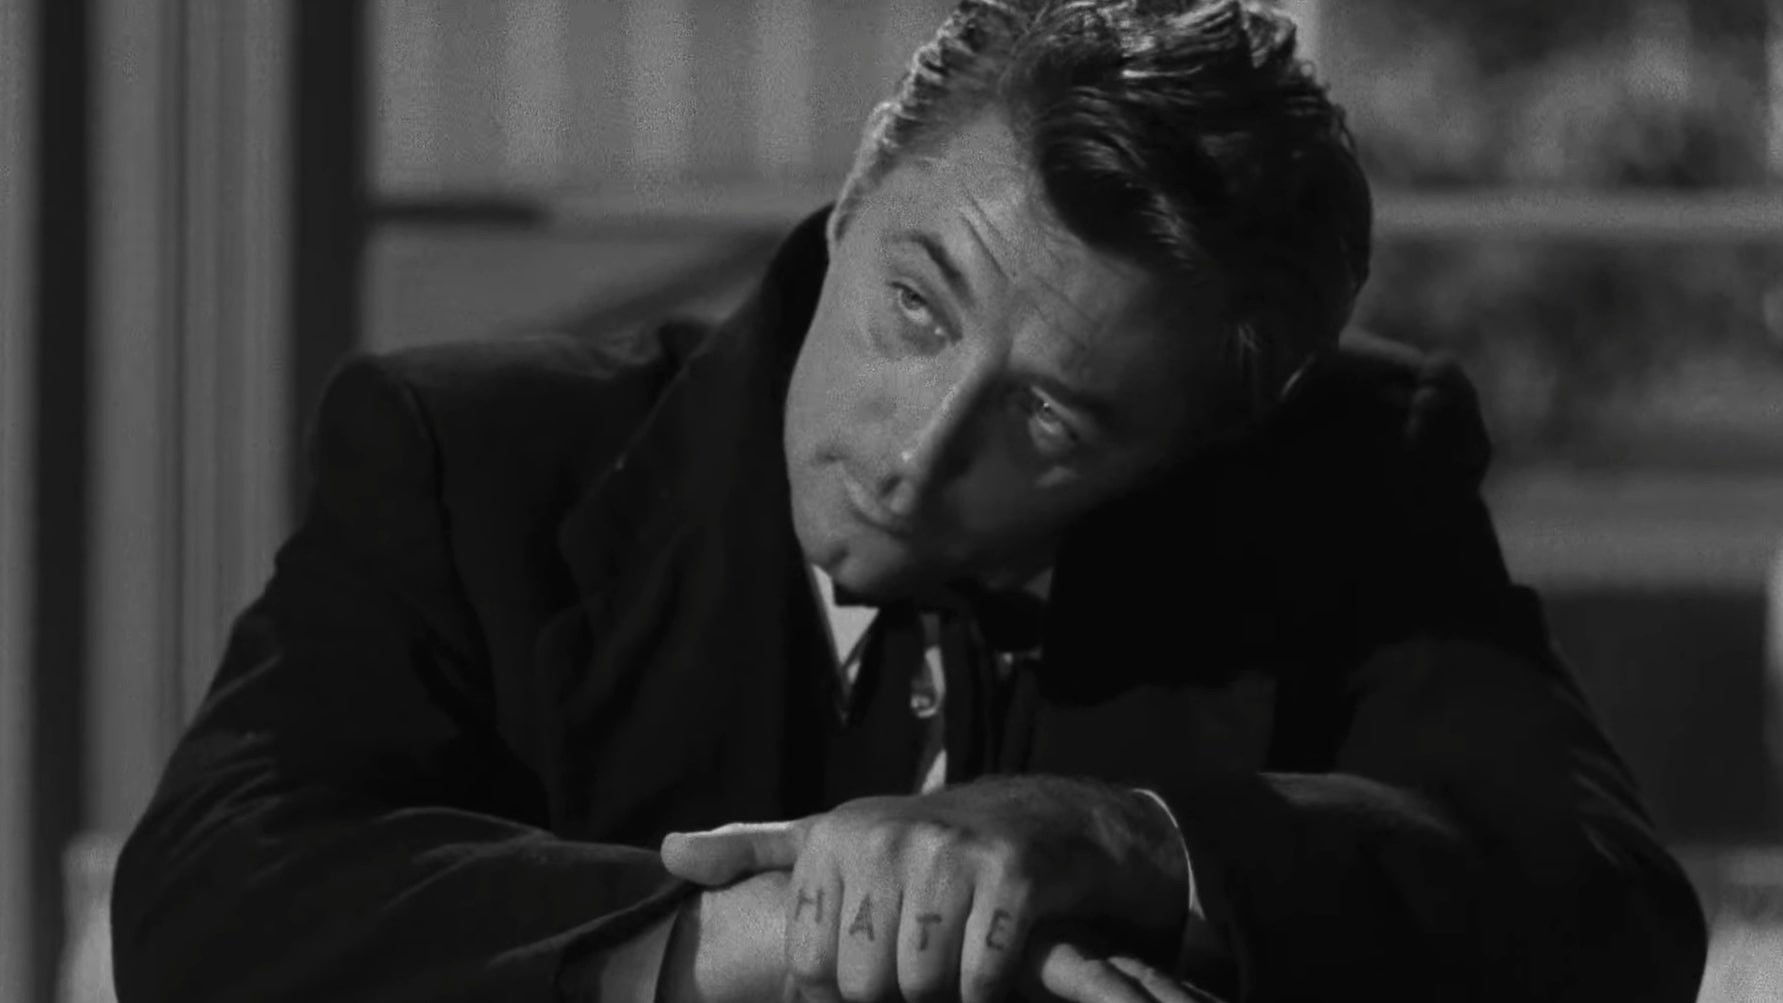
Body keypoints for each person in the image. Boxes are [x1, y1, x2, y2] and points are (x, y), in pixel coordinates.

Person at [110, 2, 1707, 1001]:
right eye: (916, 308)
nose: (917, 451)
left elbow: (1602, 912)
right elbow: (212, 912)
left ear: (1193, 444)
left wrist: (1128, 845)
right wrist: (761, 933)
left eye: (1052, 417)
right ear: (852, 205)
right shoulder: (475, 456)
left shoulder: (1342, 474)